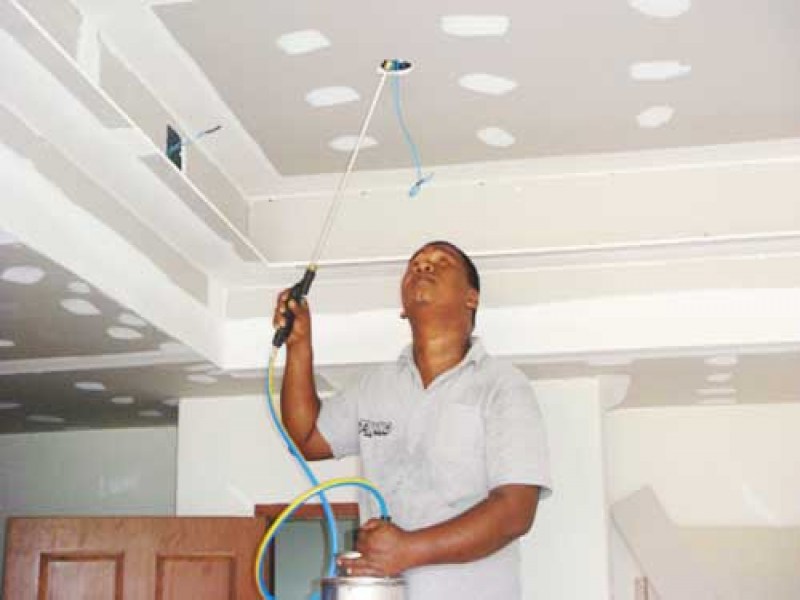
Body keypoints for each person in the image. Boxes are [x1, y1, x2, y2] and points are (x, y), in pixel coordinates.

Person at [274, 241, 551, 599]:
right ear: (403, 309)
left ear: (471, 298)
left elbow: (515, 511)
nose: (423, 267)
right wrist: (299, 344)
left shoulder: (502, 385)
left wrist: (409, 550)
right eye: (415, 265)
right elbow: (308, 438)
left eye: (441, 262)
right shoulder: (374, 386)